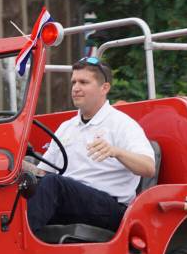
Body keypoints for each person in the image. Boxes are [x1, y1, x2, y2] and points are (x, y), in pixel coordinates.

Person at [26, 56, 155, 234]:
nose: (76, 88)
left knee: (52, 184)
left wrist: (116, 151)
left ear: (105, 88)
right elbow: (43, 173)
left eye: (84, 82)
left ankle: (18, 248)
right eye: (74, 82)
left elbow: (148, 168)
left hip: (110, 208)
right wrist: (14, 164)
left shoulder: (122, 124)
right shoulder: (66, 127)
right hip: (70, 201)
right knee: (22, 185)